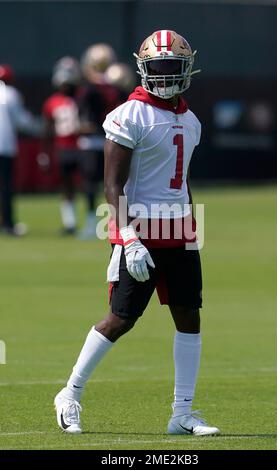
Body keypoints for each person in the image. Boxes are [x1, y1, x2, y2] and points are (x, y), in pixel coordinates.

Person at [54, 30, 220, 436]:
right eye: (157, 68)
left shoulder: (191, 118)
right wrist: (126, 236)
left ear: (187, 69)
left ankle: (182, 412)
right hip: (140, 230)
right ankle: (70, 394)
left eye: (171, 68)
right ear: (144, 69)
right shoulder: (129, 114)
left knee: (189, 318)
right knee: (121, 319)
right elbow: (113, 185)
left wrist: (191, 228)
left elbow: (181, 183)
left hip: (179, 229)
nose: (164, 76)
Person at [76, 43, 121, 239]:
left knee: (91, 184)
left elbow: (83, 117)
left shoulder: (89, 89)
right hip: (114, 138)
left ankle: (91, 223)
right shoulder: (115, 87)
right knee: (115, 182)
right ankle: (116, 222)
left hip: (92, 140)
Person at [42, 57, 82, 235]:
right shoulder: (52, 102)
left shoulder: (83, 97)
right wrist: (44, 153)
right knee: (66, 187)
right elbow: (48, 129)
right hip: (64, 147)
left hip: (82, 147)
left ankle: (93, 219)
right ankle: (70, 222)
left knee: (91, 185)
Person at [0, 64, 40, 236]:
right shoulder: (11, 94)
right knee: (6, 187)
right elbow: (21, 121)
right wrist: (38, 126)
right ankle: (8, 224)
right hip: (5, 147)